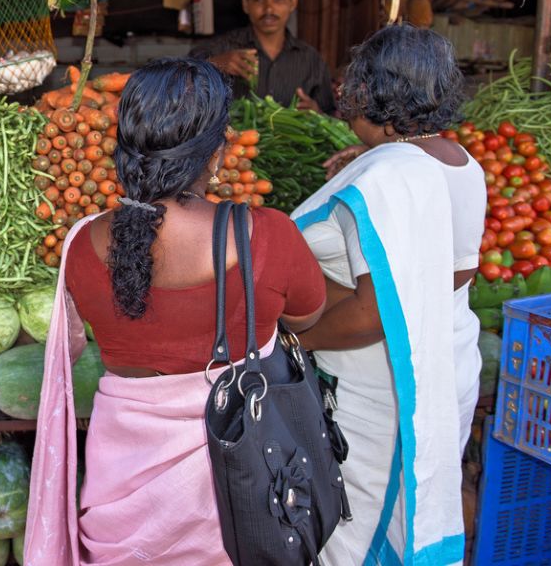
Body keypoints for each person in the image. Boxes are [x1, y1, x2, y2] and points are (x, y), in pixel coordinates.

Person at [24, 58, 326, 565]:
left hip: (116, 490)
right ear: (215, 155)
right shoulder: (267, 237)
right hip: (238, 491)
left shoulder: (80, 246)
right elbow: (307, 317)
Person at [291, 25, 483, 566]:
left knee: (359, 530)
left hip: (377, 391)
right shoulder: (460, 163)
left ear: (373, 91)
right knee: (409, 509)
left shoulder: (388, 177)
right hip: (445, 366)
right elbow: (455, 274)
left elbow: (375, 313)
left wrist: (298, 337)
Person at [190, 0, 335, 113]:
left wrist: (318, 114)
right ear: (246, 5)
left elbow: (331, 116)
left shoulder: (311, 60)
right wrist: (213, 65)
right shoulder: (221, 49)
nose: (269, 10)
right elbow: (176, 85)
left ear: (293, 2)